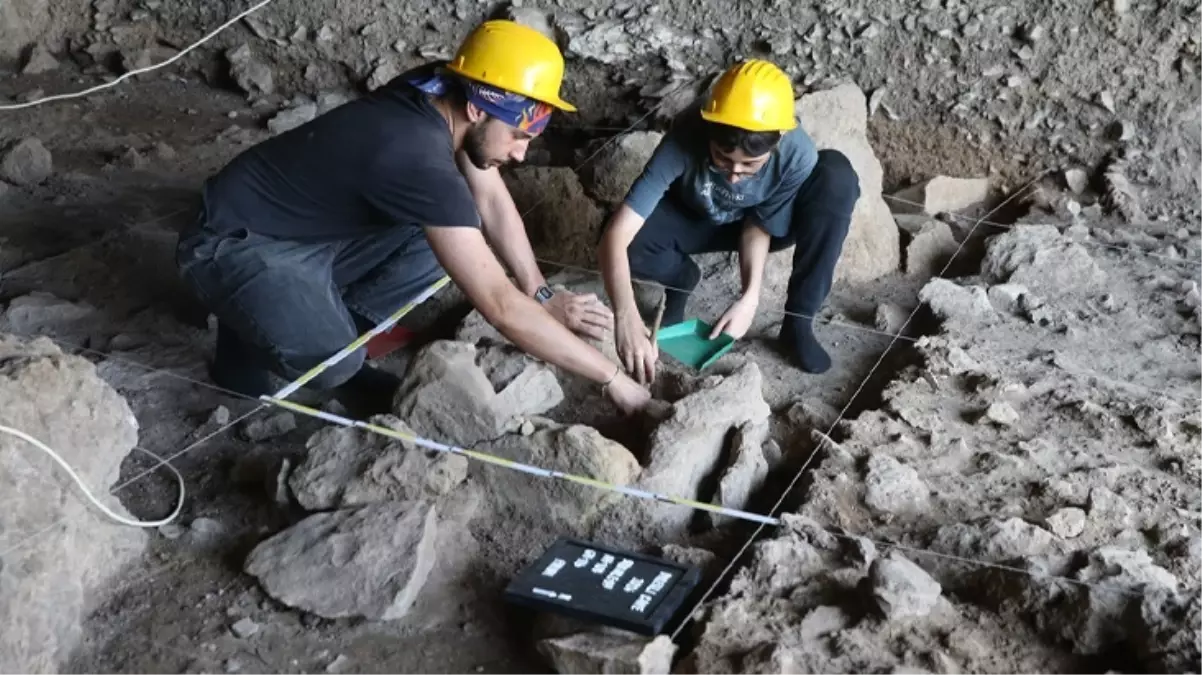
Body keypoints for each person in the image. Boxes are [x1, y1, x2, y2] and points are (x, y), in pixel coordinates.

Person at [175, 20, 651, 416]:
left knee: (442, 237)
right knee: (337, 362)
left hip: (304, 226)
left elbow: (488, 197)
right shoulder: (415, 157)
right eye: (518, 135)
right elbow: (500, 307)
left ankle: (309, 318)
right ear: (476, 108)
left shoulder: (440, 89)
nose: (522, 154)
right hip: (230, 243)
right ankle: (266, 338)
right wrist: (614, 380)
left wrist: (541, 292)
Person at [598, 59, 861, 384]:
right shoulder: (685, 136)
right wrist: (625, 315)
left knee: (837, 177)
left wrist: (750, 298)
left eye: (750, 166)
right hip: (697, 216)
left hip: (758, 225)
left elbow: (760, 223)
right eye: (722, 159)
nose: (735, 176)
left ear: (778, 139)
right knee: (631, 244)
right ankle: (680, 281)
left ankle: (798, 323)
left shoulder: (797, 153)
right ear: (708, 131)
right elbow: (617, 234)